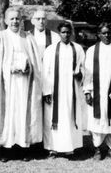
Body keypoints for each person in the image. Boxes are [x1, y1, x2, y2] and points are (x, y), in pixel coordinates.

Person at [0, 7, 42, 162]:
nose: (15, 22)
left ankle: (23, 148)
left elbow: (36, 63)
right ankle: (7, 149)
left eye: (17, 18)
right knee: (9, 114)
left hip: (25, 83)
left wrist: (28, 68)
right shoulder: (0, 37)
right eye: (11, 19)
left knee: (23, 112)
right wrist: (9, 68)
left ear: (22, 20)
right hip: (7, 84)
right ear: (5, 20)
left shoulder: (28, 38)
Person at [83, 22, 111, 161]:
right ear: (98, 34)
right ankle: (97, 149)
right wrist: (87, 91)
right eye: (103, 33)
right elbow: (88, 73)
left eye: (109, 32)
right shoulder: (92, 51)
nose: (107, 35)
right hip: (96, 92)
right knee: (96, 120)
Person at [42, 22, 85, 159]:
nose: (66, 35)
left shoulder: (78, 49)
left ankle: (70, 148)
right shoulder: (51, 49)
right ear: (59, 33)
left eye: (68, 32)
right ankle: (53, 148)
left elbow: (84, 68)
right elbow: (45, 72)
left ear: (71, 33)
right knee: (54, 119)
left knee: (70, 117)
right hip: (55, 91)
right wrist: (46, 91)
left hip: (71, 90)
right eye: (63, 32)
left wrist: (80, 74)